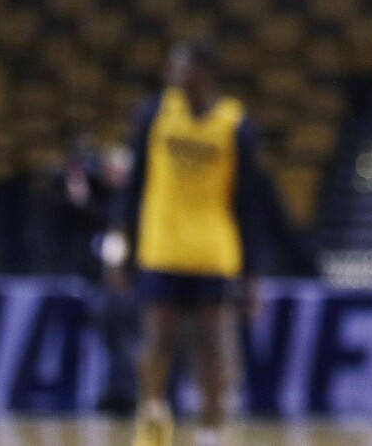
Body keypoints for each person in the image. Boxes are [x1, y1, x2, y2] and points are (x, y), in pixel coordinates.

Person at [107, 42, 270, 446]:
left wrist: (252, 274)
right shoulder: (154, 115)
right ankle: (153, 415)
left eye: (179, 68)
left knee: (212, 349)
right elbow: (132, 186)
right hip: (162, 246)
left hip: (214, 250)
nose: (171, 75)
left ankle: (211, 430)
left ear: (204, 71)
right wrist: (117, 242)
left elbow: (249, 204)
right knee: (157, 342)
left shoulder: (236, 125)